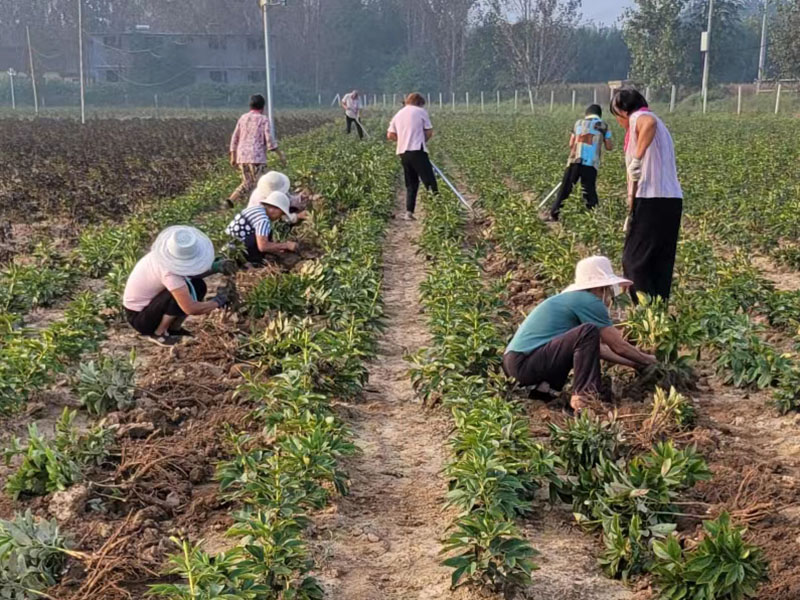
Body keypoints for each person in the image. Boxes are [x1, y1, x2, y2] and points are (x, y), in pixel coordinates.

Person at [503, 256, 656, 413]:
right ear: (601, 288)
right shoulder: (589, 301)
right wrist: (649, 360)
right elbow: (618, 346)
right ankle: (583, 397)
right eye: (610, 289)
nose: (610, 296)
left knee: (586, 335)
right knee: (587, 331)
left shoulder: (573, 300)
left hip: (514, 363)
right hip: (525, 362)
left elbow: (597, 349)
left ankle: (543, 392)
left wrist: (634, 363)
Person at [611, 87, 683, 303]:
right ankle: (658, 312)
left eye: (616, 116)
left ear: (623, 111)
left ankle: (645, 312)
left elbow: (647, 123)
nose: (618, 122)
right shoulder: (657, 122)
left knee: (633, 261)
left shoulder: (639, 117)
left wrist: (637, 158)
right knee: (659, 262)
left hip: (652, 199)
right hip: (670, 200)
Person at [123, 226, 229, 347]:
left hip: (148, 308)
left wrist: (215, 268)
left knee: (198, 285)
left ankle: (174, 328)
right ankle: (159, 333)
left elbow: (190, 276)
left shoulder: (162, 257)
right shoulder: (169, 274)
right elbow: (191, 308)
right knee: (178, 295)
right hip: (141, 319)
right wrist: (218, 301)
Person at [549, 104, 613, 222]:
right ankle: (593, 216)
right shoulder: (603, 126)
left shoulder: (578, 123)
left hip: (575, 160)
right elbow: (609, 147)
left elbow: (571, 143)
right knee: (589, 189)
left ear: (586, 114)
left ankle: (554, 213)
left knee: (566, 187)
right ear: (599, 115)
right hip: (591, 163)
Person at [227, 94, 287, 208]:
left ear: (250, 106)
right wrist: (280, 155)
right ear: (263, 107)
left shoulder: (243, 118)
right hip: (256, 157)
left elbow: (235, 137)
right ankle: (260, 206)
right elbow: (269, 139)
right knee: (262, 183)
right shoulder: (263, 119)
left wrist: (233, 155)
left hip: (242, 156)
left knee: (247, 182)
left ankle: (232, 199)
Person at [387, 92, 438, 221]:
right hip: (417, 150)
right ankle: (438, 209)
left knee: (411, 183)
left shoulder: (399, 114)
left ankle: (409, 212)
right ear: (419, 103)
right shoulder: (421, 112)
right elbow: (429, 131)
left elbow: (390, 135)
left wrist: (403, 140)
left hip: (403, 153)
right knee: (429, 180)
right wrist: (422, 140)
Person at [226, 190, 298, 265]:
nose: (279, 217)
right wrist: (286, 245)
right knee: (264, 237)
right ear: (274, 209)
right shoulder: (263, 220)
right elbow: (263, 246)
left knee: (267, 233)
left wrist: (277, 248)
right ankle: (253, 262)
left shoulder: (257, 209)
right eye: (281, 213)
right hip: (236, 252)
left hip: (229, 247)